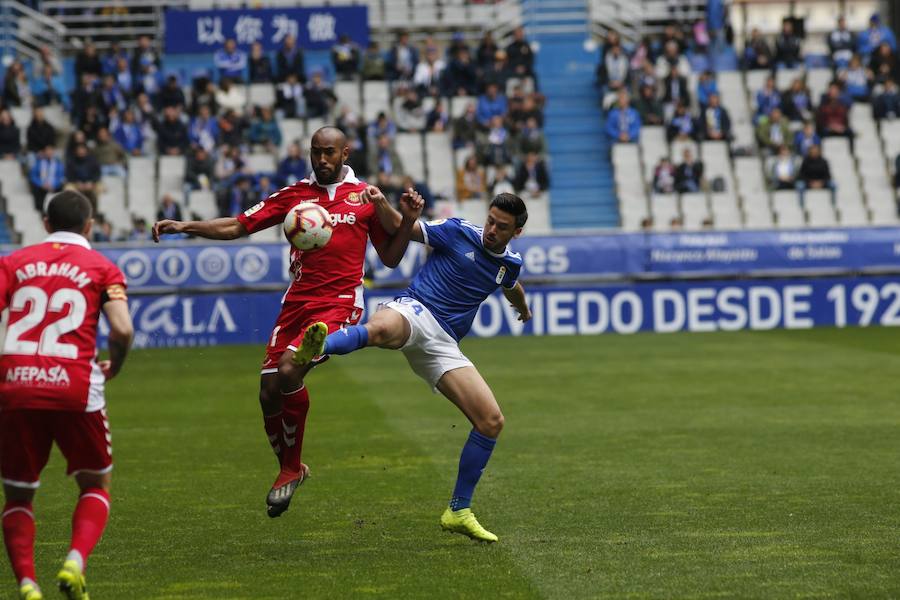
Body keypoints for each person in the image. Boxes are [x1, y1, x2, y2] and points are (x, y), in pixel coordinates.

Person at [151, 127, 423, 519]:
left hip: (341, 302)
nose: (322, 160)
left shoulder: (365, 197)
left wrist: (408, 219)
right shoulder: (294, 196)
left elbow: (392, 257)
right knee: (267, 393)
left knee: (289, 370)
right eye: (316, 153)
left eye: (329, 152)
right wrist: (184, 227)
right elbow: (239, 226)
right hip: (296, 304)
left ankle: (288, 469)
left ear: (345, 153)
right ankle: (294, 467)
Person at [292, 193, 531, 543]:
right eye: (491, 220)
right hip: (416, 309)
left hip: (445, 343)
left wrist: (523, 309)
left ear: (517, 231)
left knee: (491, 421)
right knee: (381, 330)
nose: (492, 229)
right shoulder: (457, 231)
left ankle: (458, 510)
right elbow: (402, 228)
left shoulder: (510, 262)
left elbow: (510, 286)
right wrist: (385, 204)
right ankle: (314, 347)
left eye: (502, 226)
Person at [0, 190, 133, 600]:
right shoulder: (102, 267)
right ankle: (75, 561)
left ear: (44, 223)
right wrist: (117, 365)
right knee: (96, 483)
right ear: (90, 225)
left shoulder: (11, 263)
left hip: (15, 386)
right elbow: (122, 329)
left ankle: (27, 584)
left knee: (19, 493)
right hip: (74, 386)